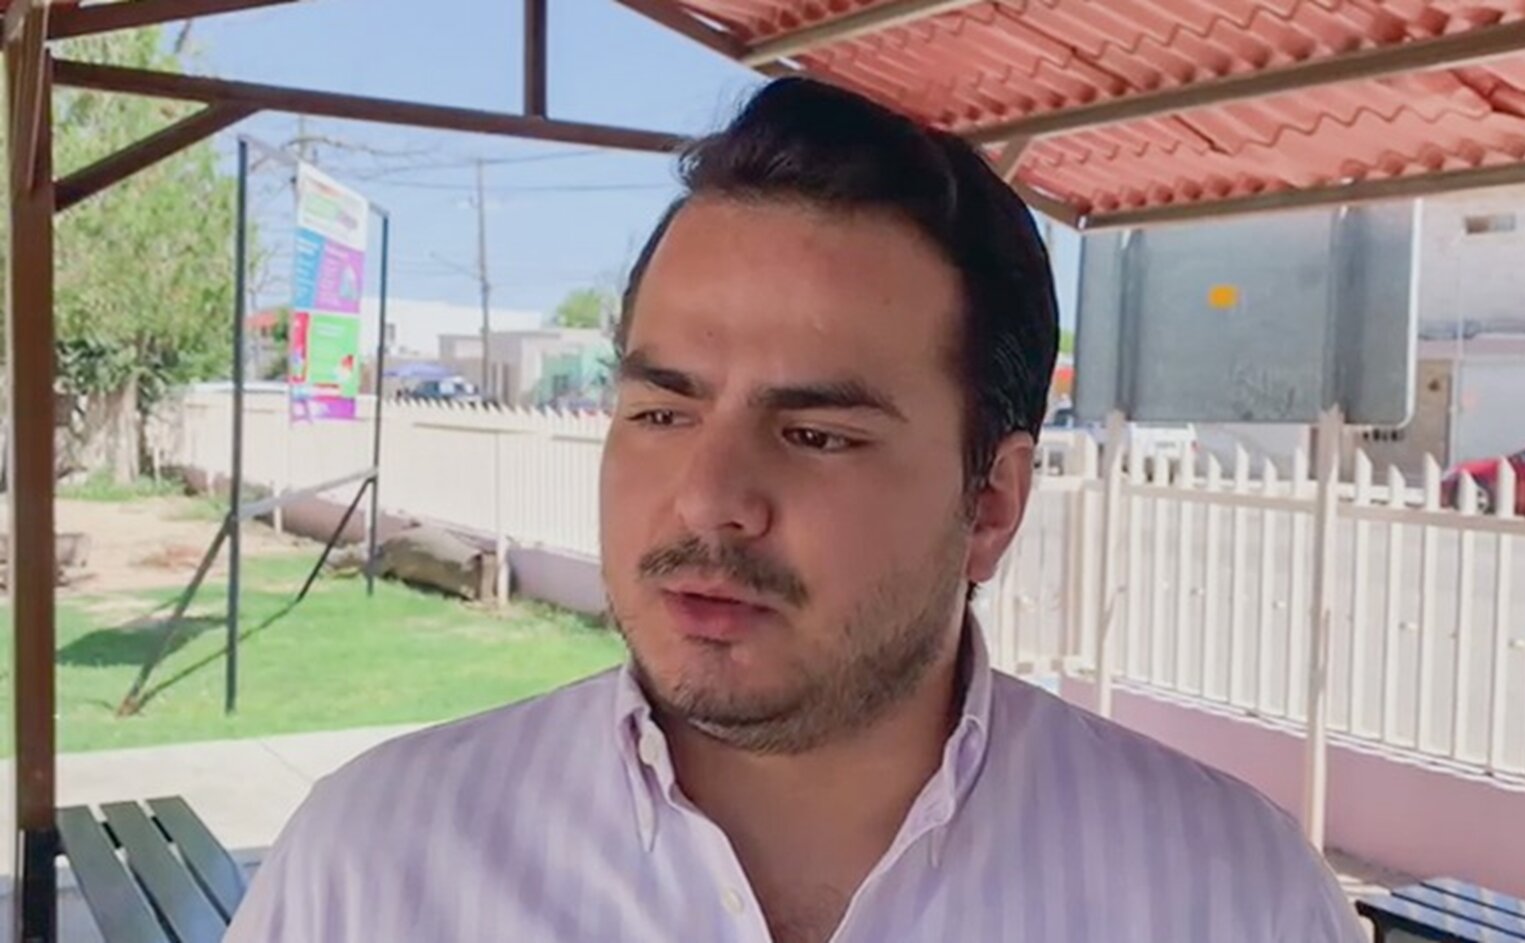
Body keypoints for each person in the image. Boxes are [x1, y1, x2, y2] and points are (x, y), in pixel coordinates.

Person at [226, 77, 1364, 943]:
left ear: (990, 504)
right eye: (661, 412)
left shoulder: (1227, 898)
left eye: (818, 434)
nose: (708, 497)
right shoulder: (374, 874)